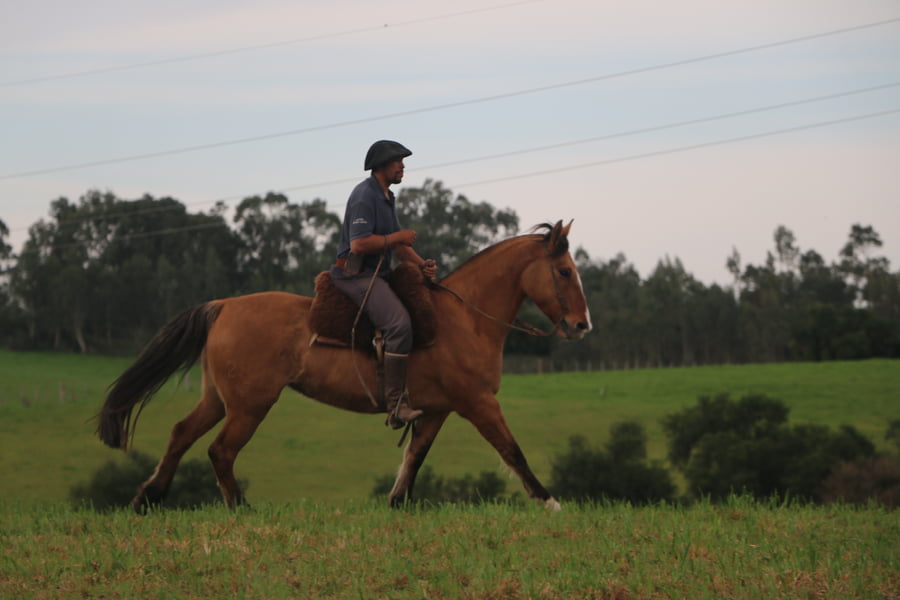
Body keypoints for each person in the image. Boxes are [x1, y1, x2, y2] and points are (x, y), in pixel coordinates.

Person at [330, 140, 438, 428]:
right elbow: (360, 242)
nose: (403, 166)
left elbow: (400, 248)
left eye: (402, 161)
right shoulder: (365, 195)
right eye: (398, 161)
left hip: (379, 274)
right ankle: (396, 406)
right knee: (399, 325)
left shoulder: (387, 196)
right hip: (357, 276)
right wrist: (398, 238)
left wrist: (421, 265)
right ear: (381, 166)